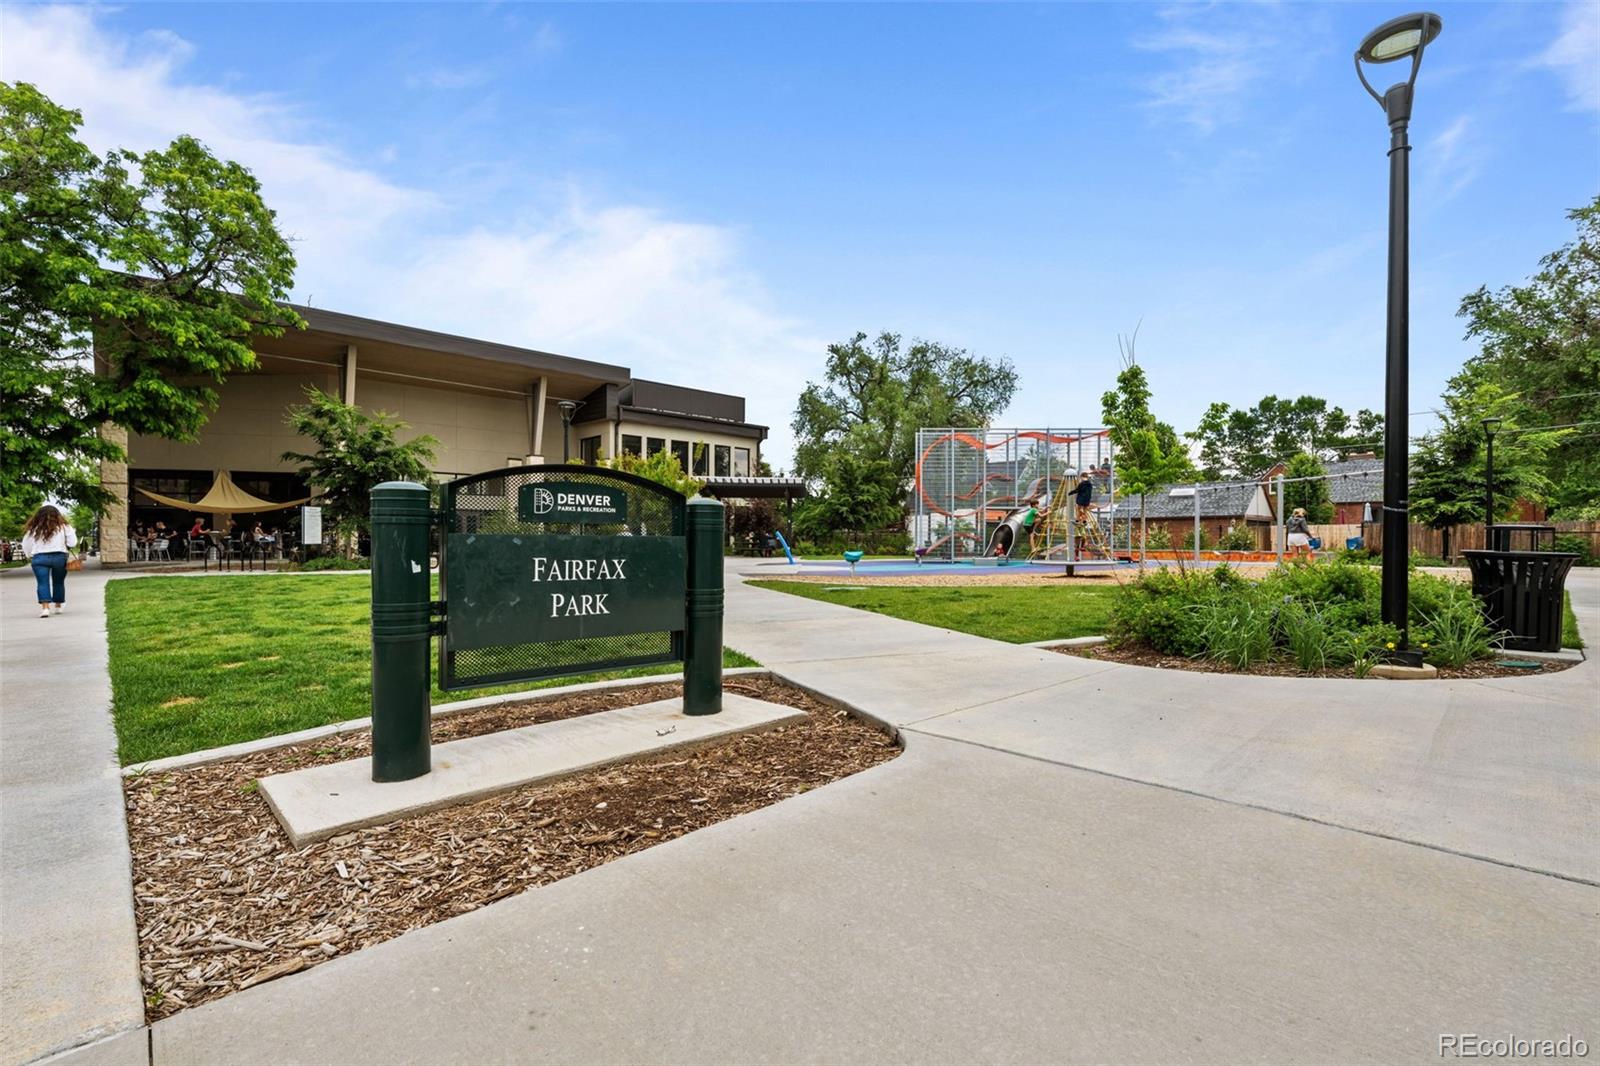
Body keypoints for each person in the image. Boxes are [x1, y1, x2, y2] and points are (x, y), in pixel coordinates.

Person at [21, 505, 77, 618]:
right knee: (58, 582)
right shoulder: (64, 527)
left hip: (40, 558)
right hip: (59, 557)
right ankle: (58, 606)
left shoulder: (34, 528)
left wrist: (28, 556)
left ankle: (45, 608)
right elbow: (73, 543)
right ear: (57, 515)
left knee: (42, 583)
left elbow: (26, 544)